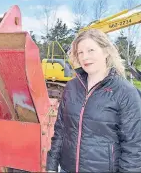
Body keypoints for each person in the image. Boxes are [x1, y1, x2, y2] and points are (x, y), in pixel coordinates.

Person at [46, 29, 141, 172]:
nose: (85, 57)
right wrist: (52, 167)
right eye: (80, 52)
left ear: (106, 52)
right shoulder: (71, 87)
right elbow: (60, 131)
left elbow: (133, 147)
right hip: (67, 168)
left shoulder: (125, 92)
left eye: (91, 50)